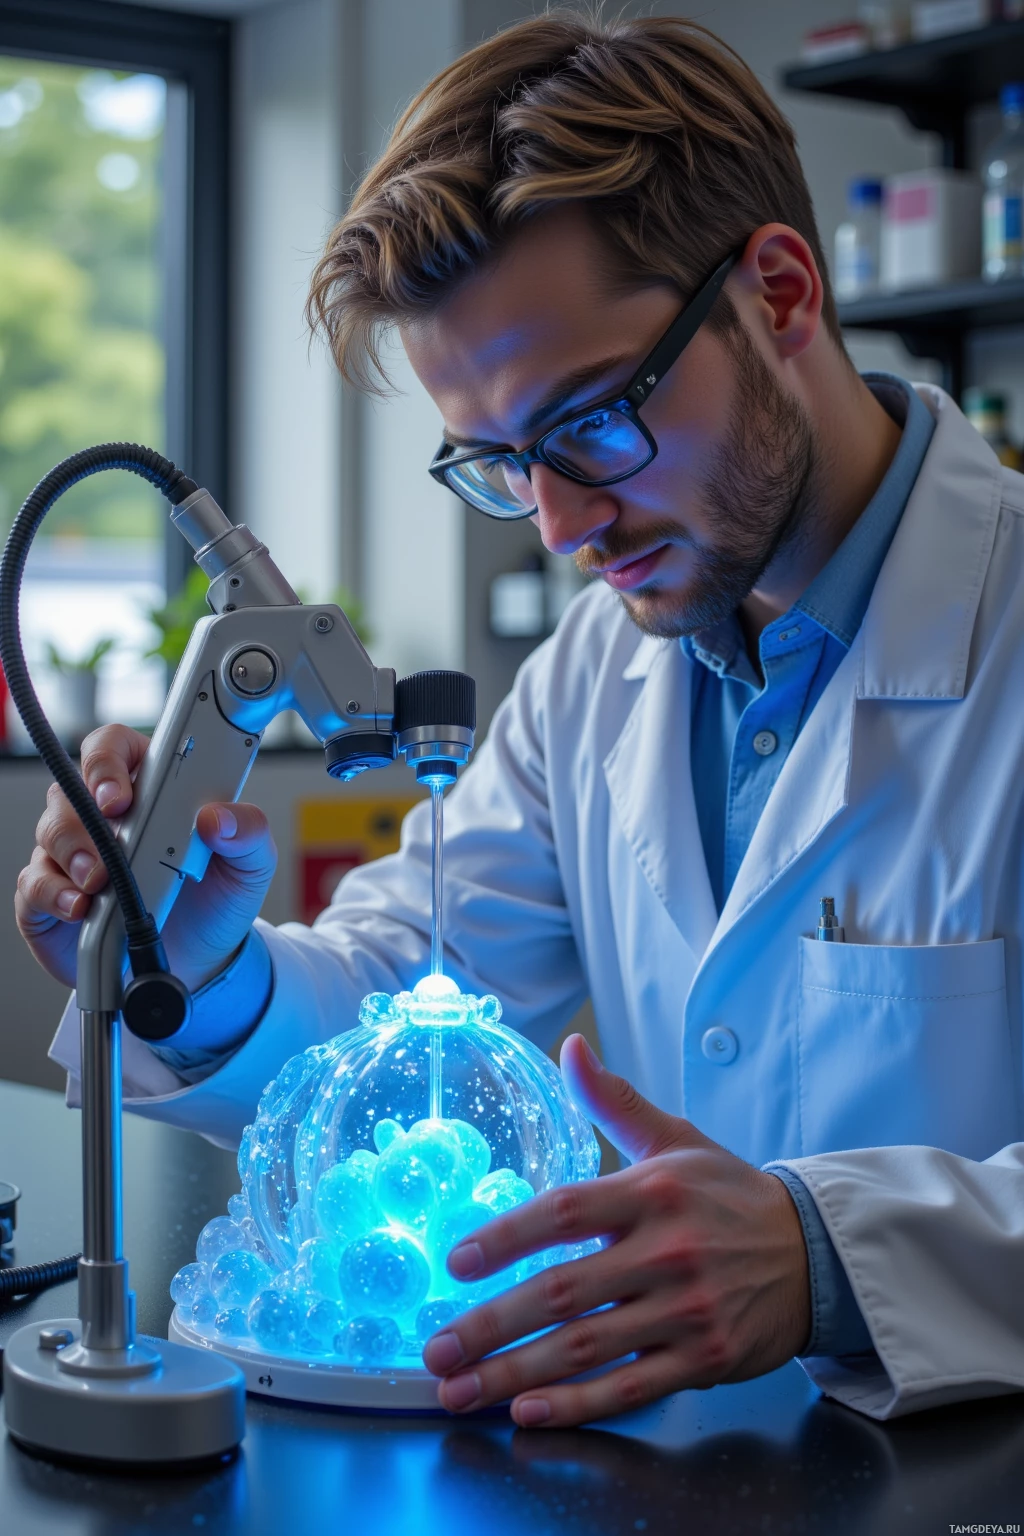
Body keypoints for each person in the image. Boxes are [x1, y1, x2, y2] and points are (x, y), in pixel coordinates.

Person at [15, 13, 1024, 1428]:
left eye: (592, 421)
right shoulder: (600, 669)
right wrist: (205, 970)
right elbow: (413, 993)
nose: (556, 523)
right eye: (495, 462)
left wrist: (824, 1257)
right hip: (694, 1473)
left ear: (782, 294)